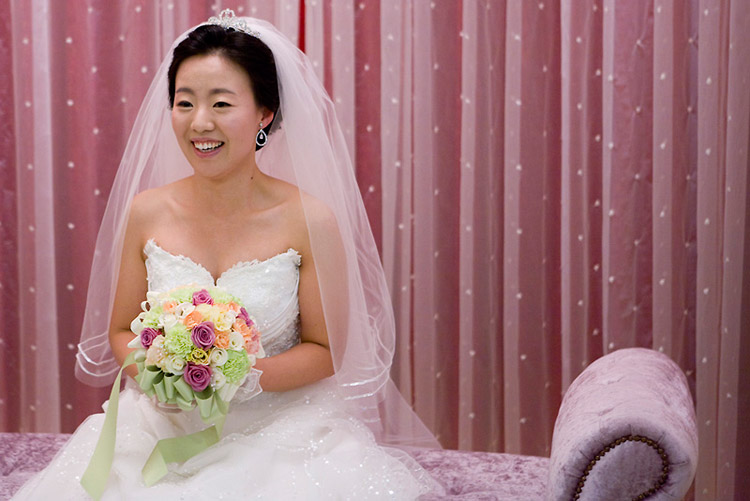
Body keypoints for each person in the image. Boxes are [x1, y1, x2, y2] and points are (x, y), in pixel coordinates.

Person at [13, 11, 441, 500]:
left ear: (264, 114)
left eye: (221, 103)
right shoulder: (146, 211)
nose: (200, 122)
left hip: (278, 431)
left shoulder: (310, 220)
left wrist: (235, 378)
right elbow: (119, 332)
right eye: (184, 102)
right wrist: (166, 376)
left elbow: (326, 351)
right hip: (160, 426)